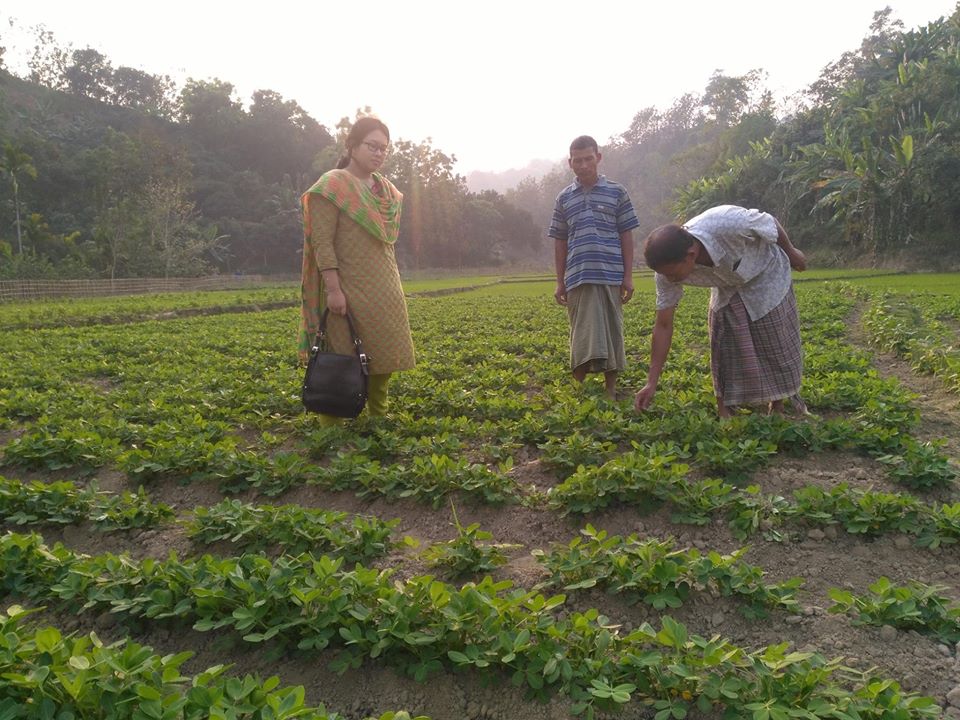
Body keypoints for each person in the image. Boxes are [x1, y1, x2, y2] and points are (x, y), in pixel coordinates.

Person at [634, 204, 807, 418]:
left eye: (673, 274)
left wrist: (792, 252)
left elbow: (769, 221)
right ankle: (725, 410)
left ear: (691, 255)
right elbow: (663, 325)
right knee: (723, 343)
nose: (670, 279)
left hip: (766, 273)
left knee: (773, 341)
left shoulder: (727, 223)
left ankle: (777, 405)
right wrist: (651, 382)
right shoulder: (665, 272)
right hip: (727, 285)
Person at [297, 116, 415, 424]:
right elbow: (323, 243)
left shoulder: (387, 192)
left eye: (384, 148)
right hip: (347, 289)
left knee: (384, 357)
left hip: (385, 289)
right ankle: (331, 430)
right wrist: (334, 289)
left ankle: (378, 419)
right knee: (341, 356)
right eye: (372, 146)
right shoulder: (332, 186)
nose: (379, 153)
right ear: (352, 146)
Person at [548, 135, 639, 399]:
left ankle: (610, 389)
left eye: (588, 159)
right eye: (578, 161)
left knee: (612, 331)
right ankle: (578, 388)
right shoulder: (563, 198)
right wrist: (559, 281)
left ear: (598, 158)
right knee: (581, 333)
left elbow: (626, 235)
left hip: (611, 274)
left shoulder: (617, 192)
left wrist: (628, 277)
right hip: (577, 276)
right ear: (570, 163)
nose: (584, 165)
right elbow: (560, 242)